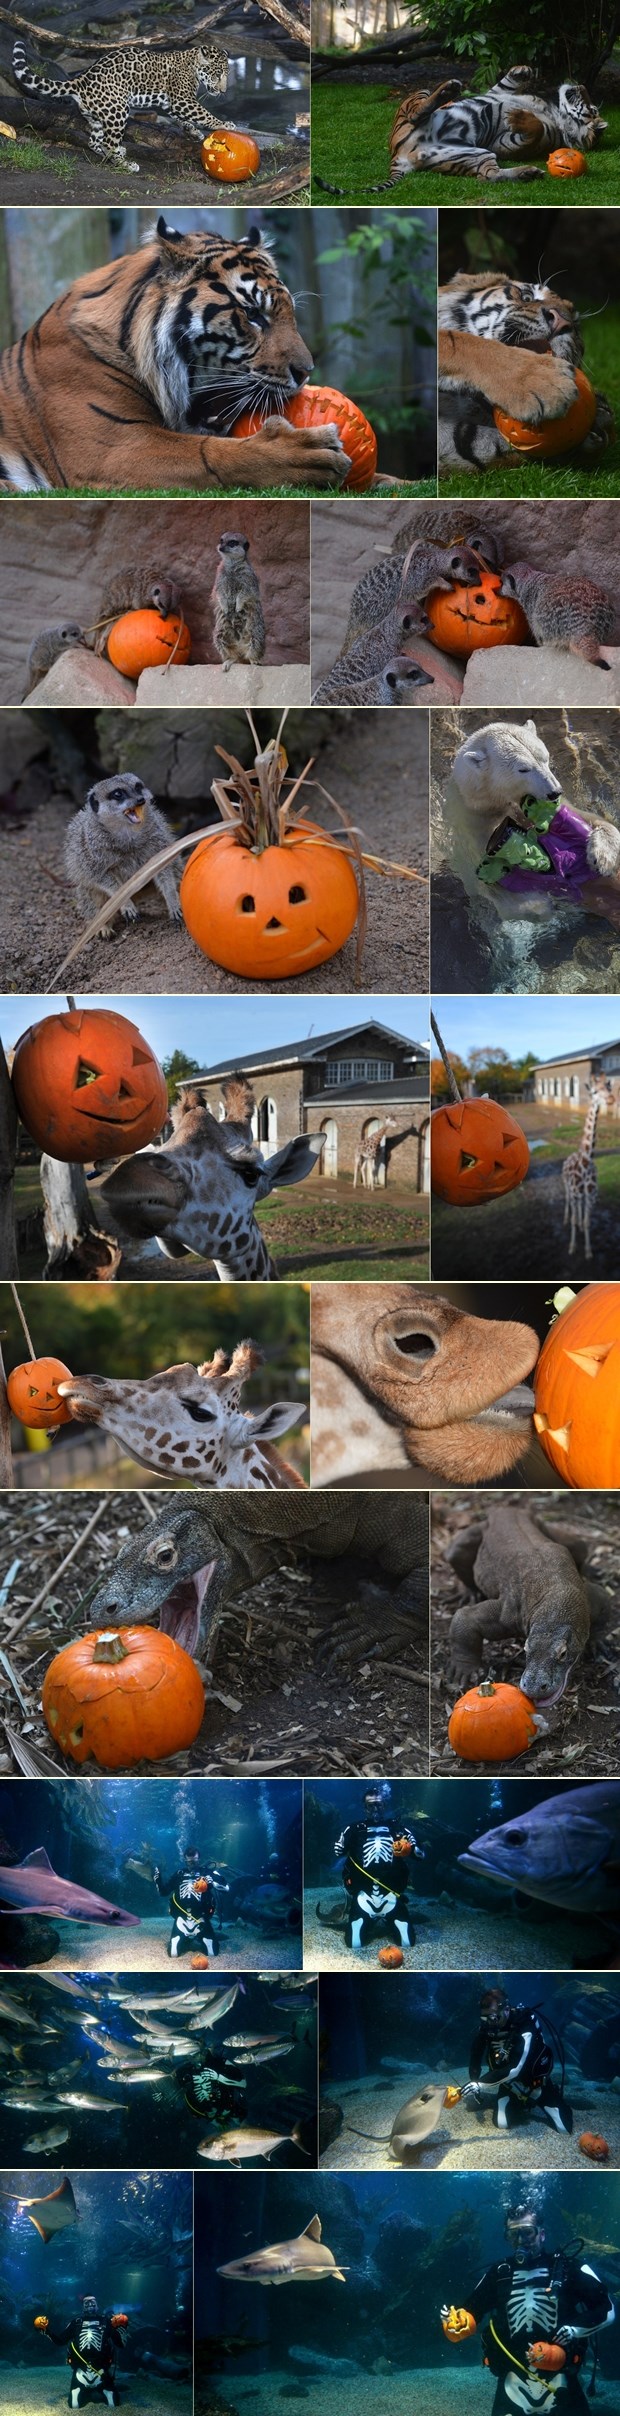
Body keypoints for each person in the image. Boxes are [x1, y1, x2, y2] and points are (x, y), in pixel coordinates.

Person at [441, 2201, 615, 2413]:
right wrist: (457, 2323)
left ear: (542, 2234)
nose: (520, 2240)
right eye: (513, 2235)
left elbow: (606, 2309)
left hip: (562, 2376)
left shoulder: (568, 2267)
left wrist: (572, 2330)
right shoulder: (499, 2272)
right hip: (512, 2379)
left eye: (527, 2233)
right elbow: (471, 2311)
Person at [464, 1987, 573, 2135]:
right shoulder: (487, 2027)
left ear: (507, 2009)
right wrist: (474, 2080)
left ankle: (541, 2096)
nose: (490, 2023)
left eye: (494, 2018)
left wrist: (479, 2084)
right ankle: (519, 2102)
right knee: (501, 2123)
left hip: (534, 2082)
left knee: (564, 2129)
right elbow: (475, 2055)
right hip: (509, 2084)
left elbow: (516, 2068)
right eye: (485, 2018)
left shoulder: (524, 2026)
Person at [334, 1784, 424, 1951]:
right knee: (354, 1943)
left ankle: (386, 1919)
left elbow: (419, 1854)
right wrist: (341, 1845)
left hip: (391, 1893)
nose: (375, 1808)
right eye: (370, 1805)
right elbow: (339, 1850)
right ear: (364, 1807)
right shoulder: (354, 1829)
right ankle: (368, 1921)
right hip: (363, 1895)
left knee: (407, 1942)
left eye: (379, 1804)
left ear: (385, 1806)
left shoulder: (398, 1828)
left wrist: (412, 1849)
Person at [34, 2295, 126, 2409]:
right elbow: (61, 2341)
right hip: (80, 2370)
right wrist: (47, 2331)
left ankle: (97, 2390)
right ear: (82, 2307)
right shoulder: (76, 2322)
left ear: (97, 2306)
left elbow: (119, 2344)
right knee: (74, 2405)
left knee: (114, 2404)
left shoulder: (106, 2322)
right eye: (86, 2303)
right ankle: (88, 2391)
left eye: (93, 2302)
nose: (90, 2305)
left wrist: (121, 2330)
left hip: (102, 2370)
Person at [153, 1846, 228, 1960]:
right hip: (181, 1918)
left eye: (195, 1860)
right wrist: (157, 1880)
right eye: (189, 1861)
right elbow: (164, 1892)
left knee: (212, 1952)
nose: (192, 1863)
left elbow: (226, 1888)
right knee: (173, 1953)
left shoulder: (207, 1872)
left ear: (199, 1859)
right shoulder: (179, 1874)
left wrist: (213, 1882)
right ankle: (187, 1939)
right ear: (185, 1860)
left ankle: (199, 1937)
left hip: (201, 1918)